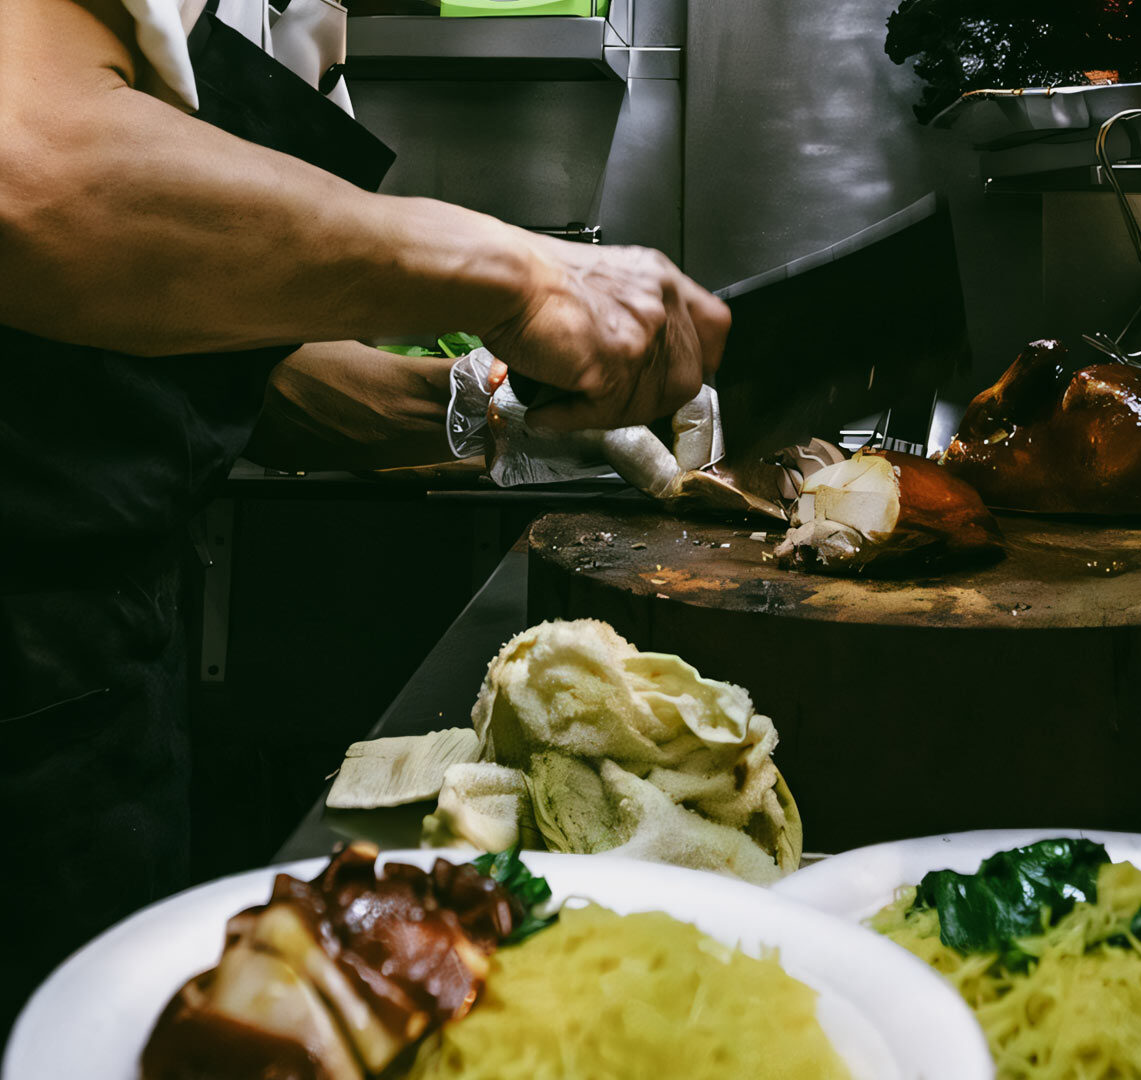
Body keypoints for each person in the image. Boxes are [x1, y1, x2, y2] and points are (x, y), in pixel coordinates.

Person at [0, 0, 730, 1034]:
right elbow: (32, 170)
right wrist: (517, 270)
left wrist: (487, 418)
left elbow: (205, 341)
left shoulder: (301, 23)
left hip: (102, 672)